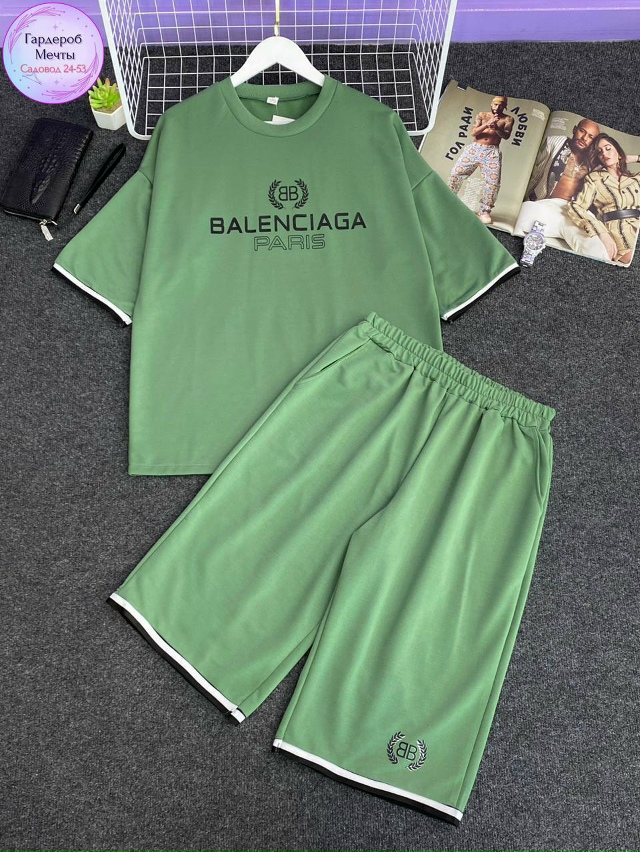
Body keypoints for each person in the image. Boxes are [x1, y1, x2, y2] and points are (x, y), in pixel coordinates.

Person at [513, 118, 610, 260]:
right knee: (521, 216)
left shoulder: (596, 162)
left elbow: (616, 162)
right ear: (574, 129)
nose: (584, 138)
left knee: (598, 250)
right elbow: (536, 174)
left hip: (575, 213)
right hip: (547, 204)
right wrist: (524, 199)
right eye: (582, 131)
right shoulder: (554, 142)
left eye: (591, 137)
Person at [567, 134, 640, 264]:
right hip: (618, 231)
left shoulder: (635, 179)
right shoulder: (594, 179)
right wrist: (601, 232)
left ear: (618, 152)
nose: (604, 153)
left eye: (608, 148)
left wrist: (628, 158)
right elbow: (576, 206)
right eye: (599, 152)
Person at [447, 95, 513, 225]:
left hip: (492, 152)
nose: (497, 107)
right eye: (495, 104)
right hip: (475, 148)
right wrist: (487, 124)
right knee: (456, 173)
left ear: (505, 106)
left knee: (493, 182)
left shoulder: (508, 119)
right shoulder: (482, 115)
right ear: (491, 104)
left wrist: (496, 128)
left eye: (501, 105)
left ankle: (484, 211)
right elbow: (474, 132)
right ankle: (447, 200)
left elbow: (506, 136)